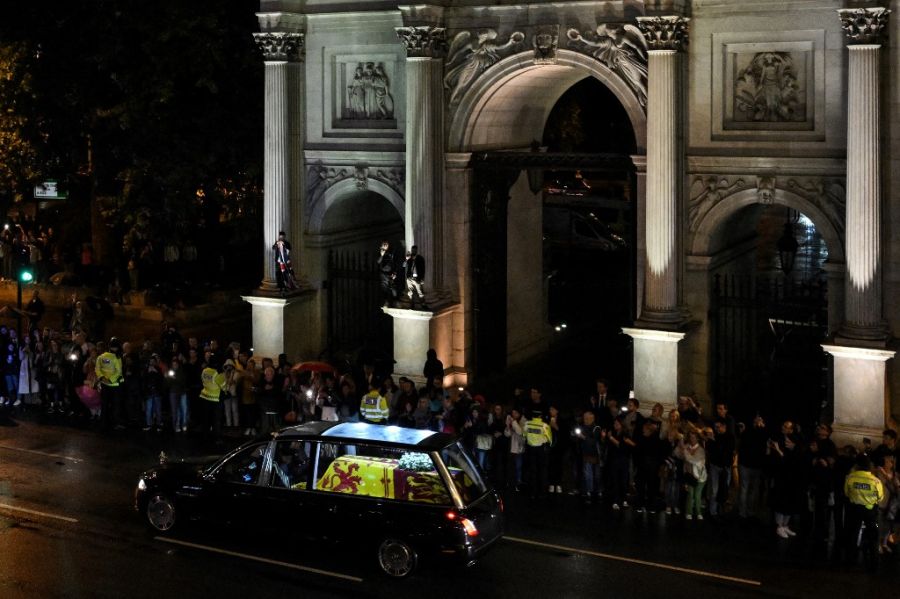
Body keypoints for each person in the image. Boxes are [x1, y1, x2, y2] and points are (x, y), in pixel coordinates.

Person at [844, 454, 884, 562]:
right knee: (873, 536)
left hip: (854, 510)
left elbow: (847, 493)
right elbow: (880, 498)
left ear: (856, 465)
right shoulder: (876, 481)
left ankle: (850, 559)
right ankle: (873, 561)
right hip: (870, 511)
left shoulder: (850, 478)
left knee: (853, 534)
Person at [573, 410, 604, 504]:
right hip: (586, 454)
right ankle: (589, 491)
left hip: (596, 455)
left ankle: (598, 491)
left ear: (592, 418)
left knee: (597, 475)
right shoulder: (582, 427)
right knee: (588, 474)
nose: (585, 420)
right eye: (584, 418)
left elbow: (593, 441)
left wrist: (583, 437)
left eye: (587, 418)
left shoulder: (597, 428)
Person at [677, 430, 708, 520]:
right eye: (690, 437)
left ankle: (698, 512)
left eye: (694, 437)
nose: (692, 439)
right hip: (690, 475)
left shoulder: (701, 450)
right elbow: (677, 454)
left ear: (698, 438)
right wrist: (681, 444)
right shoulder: (687, 447)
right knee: (690, 494)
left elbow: (693, 460)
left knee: (697, 495)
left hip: (700, 476)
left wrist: (684, 450)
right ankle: (689, 512)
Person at [95, 342, 123, 432]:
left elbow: (97, 369)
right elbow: (119, 372)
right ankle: (115, 424)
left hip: (104, 384)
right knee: (115, 405)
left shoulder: (101, 357)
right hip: (115, 385)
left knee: (104, 404)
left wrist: (102, 378)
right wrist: (111, 380)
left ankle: (103, 423)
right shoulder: (117, 357)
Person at [403, 245, 427, 310]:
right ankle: (412, 305)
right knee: (410, 292)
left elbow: (423, 269)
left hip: (417, 278)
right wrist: (406, 260)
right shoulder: (409, 259)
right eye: (412, 250)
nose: (413, 251)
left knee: (420, 292)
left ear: (416, 250)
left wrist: (422, 278)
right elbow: (404, 266)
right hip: (410, 278)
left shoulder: (420, 258)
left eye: (414, 250)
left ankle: (423, 305)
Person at [377, 240, 396, 307]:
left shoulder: (390, 253)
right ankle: (386, 302)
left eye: (386, 244)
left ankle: (394, 302)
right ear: (381, 246)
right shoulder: (380, 253)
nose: (385, 245)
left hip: (390, 273)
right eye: (384, 244)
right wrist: (381, 256)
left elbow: (393, 263)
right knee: (385, 289)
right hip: (384, 274)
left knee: (393, 288)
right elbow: (378, 262)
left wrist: (394, 272)